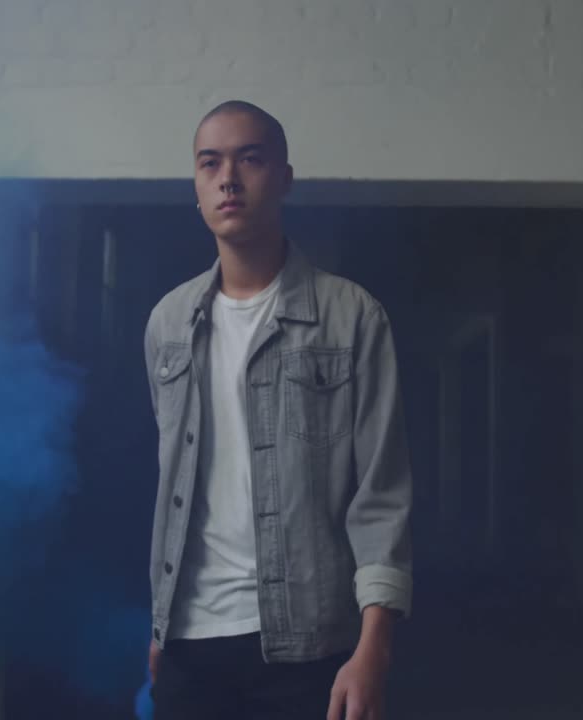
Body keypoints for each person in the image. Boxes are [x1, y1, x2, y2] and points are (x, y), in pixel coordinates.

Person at [143, 100, 413, 720]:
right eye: (209, 163)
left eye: (250, 160)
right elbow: (176, 487)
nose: (228, 179)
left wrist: (374, 649)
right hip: (189, 643)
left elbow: (382, 494)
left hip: (311, 646)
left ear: (285, 177)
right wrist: (161, 628)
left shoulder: (351, 316)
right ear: (196, 183)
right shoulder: (168, 324)